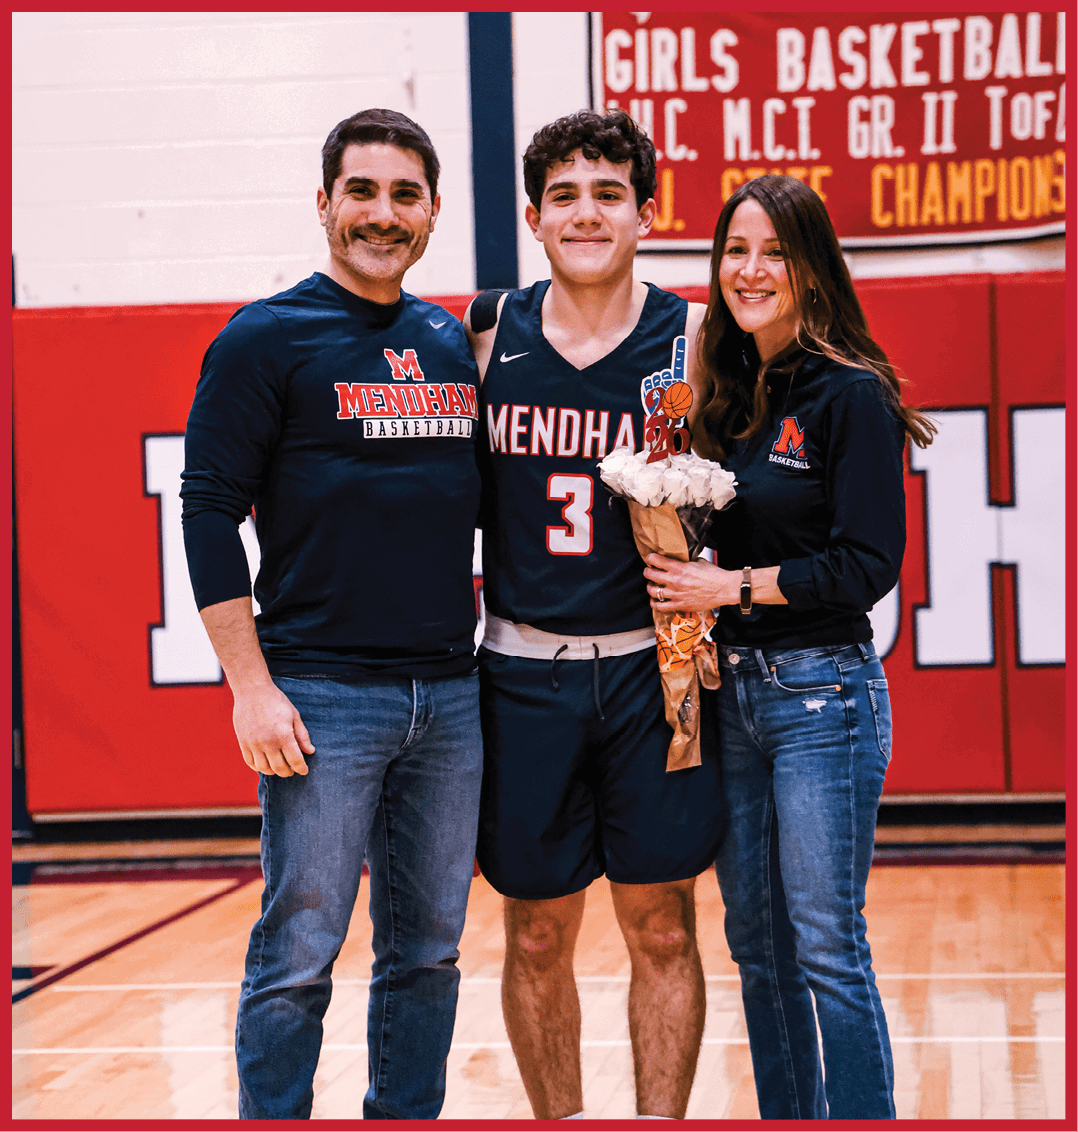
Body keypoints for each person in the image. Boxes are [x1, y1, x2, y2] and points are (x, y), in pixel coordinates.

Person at [180, 108, 484, 1120]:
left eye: (405, 195)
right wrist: (250, 687)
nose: (382, 214)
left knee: (429, 949)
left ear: (433, 211)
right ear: (324, 203)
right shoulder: (265, 337)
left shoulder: (448, 343)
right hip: (319, 695)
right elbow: (210, 511)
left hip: (449, 694)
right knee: (300, 945)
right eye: (362, 190)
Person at [643, 173, 936, 1119]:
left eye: (774, 251)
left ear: (812, 269)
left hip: (823, 699)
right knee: (757, 949)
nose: (752, 269)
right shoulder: (726, 397)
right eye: (736, 250)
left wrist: (728, 589)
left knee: (824, 945)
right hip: (737, 699)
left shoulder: (851, 394)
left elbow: (866, 565)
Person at [463, 109, 722, 1121]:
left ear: (645, 214)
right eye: (563, 194)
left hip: (653, 672)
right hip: (522, 671)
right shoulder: (486, 331)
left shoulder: (695, 333)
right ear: (533, 216)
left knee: (663, 926)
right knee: (535, 932)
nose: (585, 212)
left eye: (608, 192)